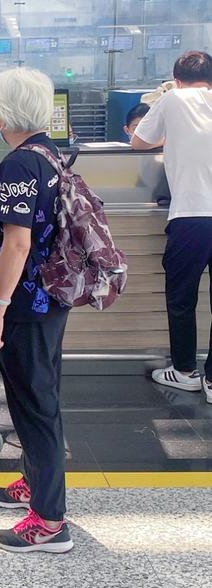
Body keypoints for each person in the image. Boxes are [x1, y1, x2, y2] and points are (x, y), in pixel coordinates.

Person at [0, 67, 73, 554]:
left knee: (34, 406)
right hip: (51, 299)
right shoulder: (52, 154)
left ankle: (50, 522)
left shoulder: (20, 164)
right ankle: (36, 486)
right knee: (41, 397)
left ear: (6, 112)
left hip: (26, 304)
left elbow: (16, 244)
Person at [131, 50, 212, 404]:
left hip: (191, 214)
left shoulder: (172, 98)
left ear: (176, 80)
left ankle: (184, 371)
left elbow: (139, 141)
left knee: (182, 297)